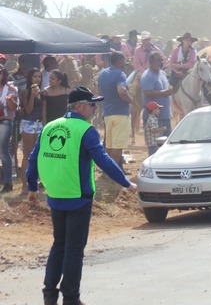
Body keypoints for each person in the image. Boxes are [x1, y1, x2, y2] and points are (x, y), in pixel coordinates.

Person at [26, 86, 137, 305]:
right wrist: (126, 182)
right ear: (79, 107)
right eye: (92, 104)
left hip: (56, 195)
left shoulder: (50, 126)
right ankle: (71, 298)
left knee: (59, 244)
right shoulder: (86, 130)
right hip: (78, 197)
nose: (95, 108)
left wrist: (31, 187)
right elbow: (103, 160)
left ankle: (49, 296)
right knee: (74, 250)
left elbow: (33, 158)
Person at [97, 51, 132, 170]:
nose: (125, 62)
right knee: (118, 146)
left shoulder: (102, 73)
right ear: (119, 61)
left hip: (107, 113)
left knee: (109, 145)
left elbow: (99, 93)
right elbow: (121, 91)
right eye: (124, 60)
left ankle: (107, 170)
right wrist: (130, 100)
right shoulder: (120, 74)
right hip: (120, 113)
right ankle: (113, 172)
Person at [19, 68, 44, 194]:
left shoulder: (42, 91)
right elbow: (28, 110)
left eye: (39, 76)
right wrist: (33, 96)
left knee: (37, 155)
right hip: (28, 123)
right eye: (35, 76)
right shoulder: (25, 91)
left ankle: (33, 183)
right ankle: (24, 185)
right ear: (30, 78)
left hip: (39, 124)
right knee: (27, 155)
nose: (37, 79)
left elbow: (43, 110)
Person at [141, 51, 173, 137]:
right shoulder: (147, 75)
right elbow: (148, 92)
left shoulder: (162, 73)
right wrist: (165, 93)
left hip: (166, 116)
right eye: (158, 60)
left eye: (162, 60)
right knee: (155, 146)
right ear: (151, 62)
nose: (161, 62)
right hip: (153, 119)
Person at [0, 65, 19, 193]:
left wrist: (10, 101)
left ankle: (8, 182)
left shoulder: (10, 89)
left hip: (5, 121)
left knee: (3, 150)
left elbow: (13, 108)